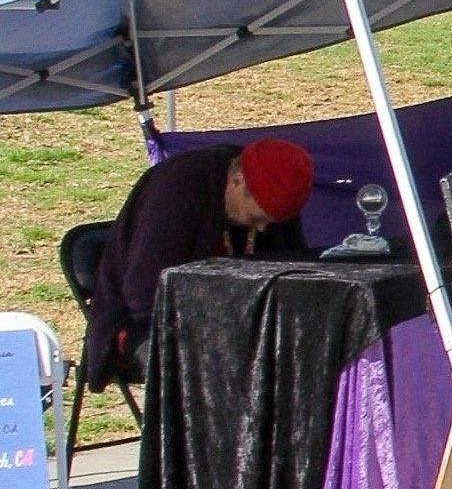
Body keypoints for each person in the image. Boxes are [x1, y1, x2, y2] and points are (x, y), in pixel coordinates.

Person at [84, 137, 315, 389]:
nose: (261, 229)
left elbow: (289, 271)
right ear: (237, 181)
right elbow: (144, 294)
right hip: (149, 322)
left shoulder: (274, 184)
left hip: (229, 319)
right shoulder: (178, 188)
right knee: (207, 367)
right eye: (256, 217)